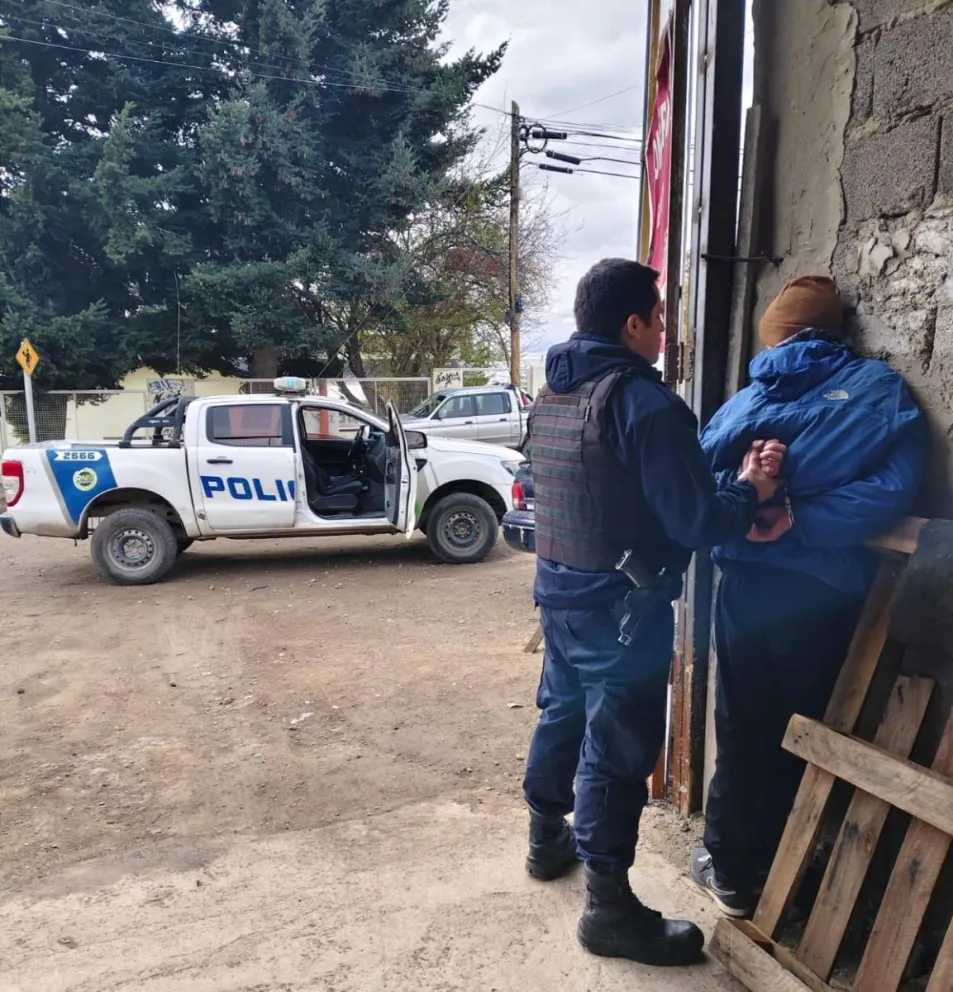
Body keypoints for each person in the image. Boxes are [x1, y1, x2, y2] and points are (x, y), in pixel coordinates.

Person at [521, 257, 789, 968]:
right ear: (631, 323)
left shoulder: (552, 393)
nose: (665, 331)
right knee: (615, 756)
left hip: (560, 595)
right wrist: (750, 486)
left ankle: (545, 837)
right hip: (622, 614)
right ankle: (608, 911)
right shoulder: (643, 402)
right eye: (659, 317)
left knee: (559, 713)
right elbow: (696, 519)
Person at [690, 275, 927, 918]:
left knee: (741, 729)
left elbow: (695, 493)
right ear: (836, 330)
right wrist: (803, 519)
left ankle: (735, 873)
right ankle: (797, 878)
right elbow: (895, 490)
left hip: (743, 588)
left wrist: (755, 493)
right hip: (825, 593)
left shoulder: (740, 407)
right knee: (810, 729)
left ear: (775, 337)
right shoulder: (883, 392)